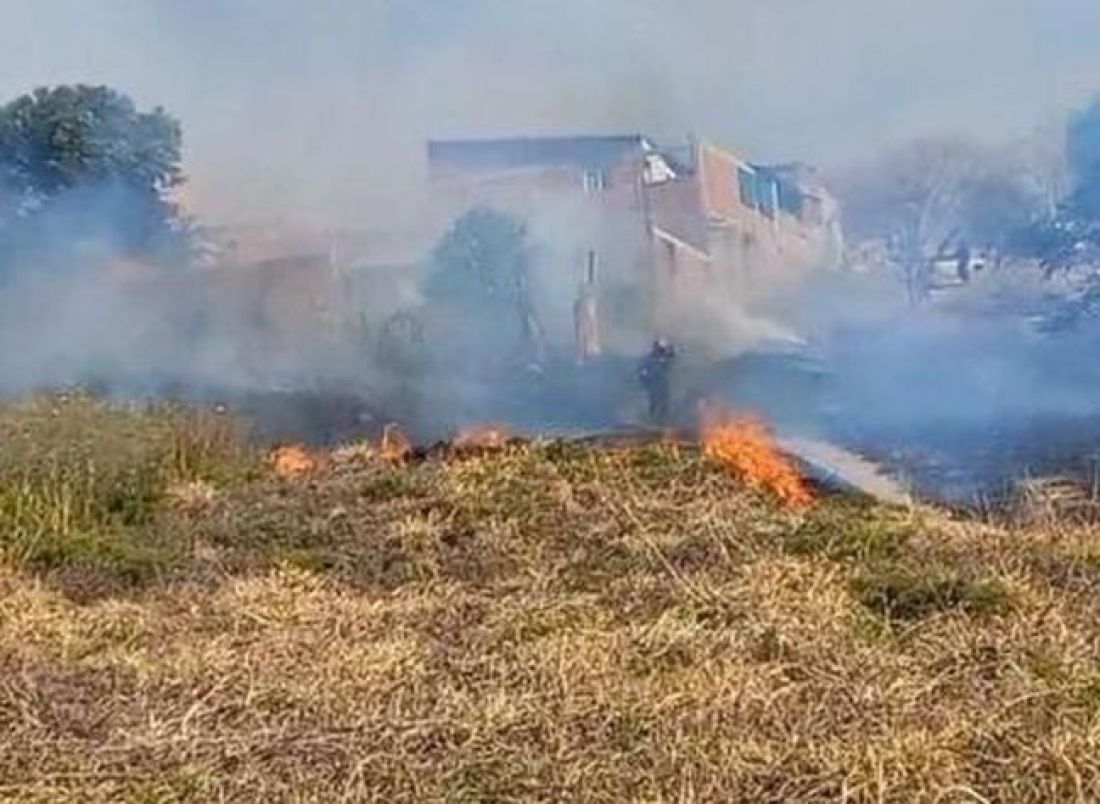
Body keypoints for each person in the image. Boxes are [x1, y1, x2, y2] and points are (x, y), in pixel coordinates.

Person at [638, 338, 676, 425]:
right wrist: (646, 381)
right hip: (653, 385)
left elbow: (672, 358)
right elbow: (643, 372)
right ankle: (653, 421)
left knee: (664, 403)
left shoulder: (665, 358)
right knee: (654, 403)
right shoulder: (649, 359)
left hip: (662, 384)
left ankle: (662, 421)